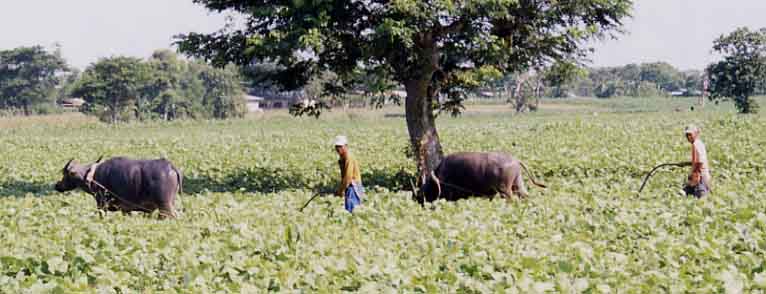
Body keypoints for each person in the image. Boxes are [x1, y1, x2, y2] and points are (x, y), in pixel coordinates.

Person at [334, 135, 364, 212]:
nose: (338, 149)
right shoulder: (342, 157)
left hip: (353, 186)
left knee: (353, 210)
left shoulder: (349, 157)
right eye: (337, 146)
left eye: (340, 146)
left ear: (346, 146)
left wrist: (341, 190)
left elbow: (348, 177)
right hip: (349, 186)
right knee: (349, 209)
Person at [683, 125, 712, 198]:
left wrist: (691, 172)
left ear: (696, 134)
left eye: (690, 134)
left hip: (700, 177)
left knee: (701, 199)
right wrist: (687, 163)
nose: (689, 137)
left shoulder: (695, 145)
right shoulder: (699, 143)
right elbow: (698, 160)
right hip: (702, 175)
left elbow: (699, 162)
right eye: (687, 135)